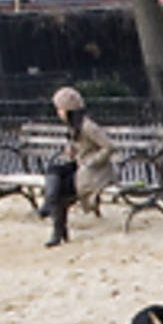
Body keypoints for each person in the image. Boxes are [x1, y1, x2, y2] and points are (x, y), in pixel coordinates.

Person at [37, 86, 116, 248]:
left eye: (59, 109)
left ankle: (56, 229)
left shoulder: (88, 126)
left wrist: (93, 161)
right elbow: (82, 149)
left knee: (61, 189)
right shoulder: (74, 127)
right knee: (54, 170)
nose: (58, 113)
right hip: (82, 165)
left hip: (96, 171)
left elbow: (109, 146)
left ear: (68, 110)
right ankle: (48, 204)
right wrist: (72, 151)